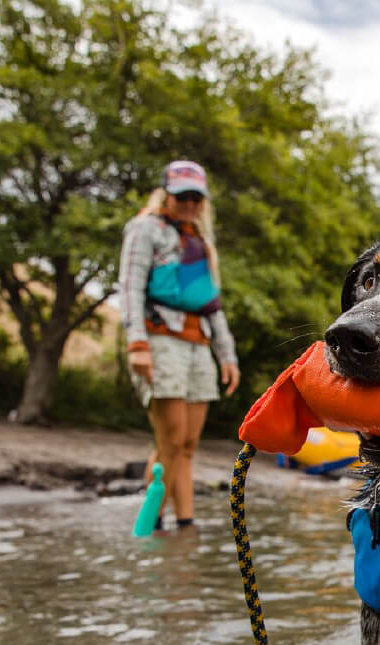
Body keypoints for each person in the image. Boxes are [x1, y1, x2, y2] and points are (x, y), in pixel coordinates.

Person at [119, 160, 240, 530]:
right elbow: (130, 286)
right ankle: (150, 524)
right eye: (182, 195)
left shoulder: (200, 240)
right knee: (169, 440)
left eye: (195, 197)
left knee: (187, 444)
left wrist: (227, 355)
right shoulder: (145, 228)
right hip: (160, 341)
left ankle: (185, 525)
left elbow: (212, 306)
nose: (189, 202)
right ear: (166, 193)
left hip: (197, 346)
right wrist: (136, 343)